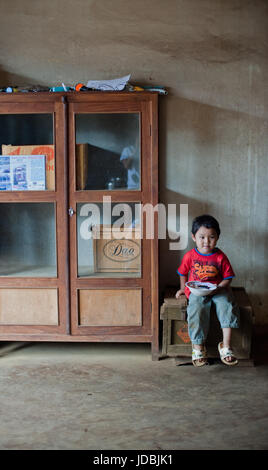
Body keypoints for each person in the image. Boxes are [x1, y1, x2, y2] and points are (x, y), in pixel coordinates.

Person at [176, 214, 240, 367]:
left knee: (227, 306)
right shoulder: (190, 256)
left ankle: (226, 345)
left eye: (211, 237)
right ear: (193, 237)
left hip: (218, 290)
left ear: (217, 237)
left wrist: (220, 287)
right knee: (196, 309)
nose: (206, 241)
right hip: (197, 291)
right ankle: (198, 347)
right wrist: (183, 289)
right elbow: (182, 272)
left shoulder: (220, 257)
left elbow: (228, 277)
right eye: (202, 237)